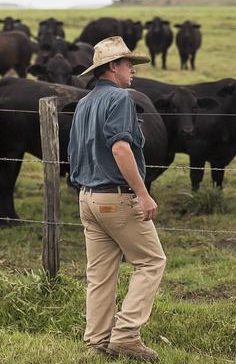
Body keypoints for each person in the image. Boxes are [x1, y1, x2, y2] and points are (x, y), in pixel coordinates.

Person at [69, 35, 165, 360]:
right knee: (152, 262)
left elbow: (74, 154)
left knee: (99, 274)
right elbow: (121, 147)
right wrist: (143, 193)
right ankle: (125, 334)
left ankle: (96, 341)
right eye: (128, 64)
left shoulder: (83, 103)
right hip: (117, 198)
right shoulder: (121, 100)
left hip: (87, 198)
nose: (133, 70)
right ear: (113, 67)